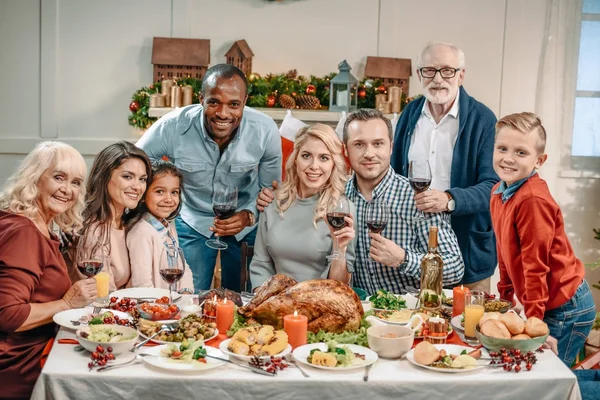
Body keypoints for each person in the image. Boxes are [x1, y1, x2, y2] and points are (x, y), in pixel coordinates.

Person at [258, 109, 464, 295]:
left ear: (391, 147)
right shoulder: (336, 197)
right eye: (359, 144)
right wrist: (273, 196)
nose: (369, 154)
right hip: (358, 311)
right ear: (346, 151)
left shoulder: (418, 198)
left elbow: (455, 269)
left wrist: (403, 259)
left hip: (408, 312)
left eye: (378, 144)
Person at [137, 64, 282, 292]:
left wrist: (249, 215)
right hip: (192, 219)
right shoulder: (173, 126)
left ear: (244, 102)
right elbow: (135, 162)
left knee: (244, 297)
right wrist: (164, 193)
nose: (223, 114)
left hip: (244, 223)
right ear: (201, 98)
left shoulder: (265, 130)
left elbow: (271, 189)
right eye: (214, 102)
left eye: (234, 104)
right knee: (187, 296)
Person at [391, 42, 499, 292]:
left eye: (447, 70)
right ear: (419, 75)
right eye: (429, 70)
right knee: (421, 324)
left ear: (461, 75)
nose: (438, 79)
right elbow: (395, 174)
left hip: (468, 248)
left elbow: (493, 187)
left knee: (467, 327)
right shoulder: (409, 114)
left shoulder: (483, 120)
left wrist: (449, 200)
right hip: (415, 248)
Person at [491, 112, 596, 366]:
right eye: (502, 148)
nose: (508, 158)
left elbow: (535, 266)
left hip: (565, 307)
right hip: (546, 302)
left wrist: (533, 322)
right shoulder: (498, 191)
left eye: (521, 152)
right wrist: (506, 301)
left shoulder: (532, 200)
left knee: (549, 379)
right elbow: (504, 252)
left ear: (539, 160)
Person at [0, 141, 97, 399]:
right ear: (35, 179)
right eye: (59, 178)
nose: (67, 190)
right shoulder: (25, 233)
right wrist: (66, 303)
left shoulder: (37, 225)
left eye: (76, 183)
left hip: (40, 350)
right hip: (21, 368)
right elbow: (10, 315)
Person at [250, 124, 356, 289]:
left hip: (320, 304)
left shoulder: (342, 209)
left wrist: (340, 248)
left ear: (333, 164)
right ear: (295, 159)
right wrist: (264, 299)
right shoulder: (273, 202)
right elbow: (260, 264)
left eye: (324, 158)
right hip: (277, 302)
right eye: (306, 156)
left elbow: (339, 285)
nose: (314, 166)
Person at [69, 141, 151, 291]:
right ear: (104, 178)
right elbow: (102, 299)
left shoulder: (127, 225)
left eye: (142, 179)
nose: (137, 187)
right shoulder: (94, 231)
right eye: (127, 177)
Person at [127, 160, 194, 291]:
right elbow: (142, 285)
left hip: (173, 304)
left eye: (174, 192)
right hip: (153, 307)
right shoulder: (142, 233)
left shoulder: (168, 227)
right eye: (160, 191)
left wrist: (186, 293)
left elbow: (183, 267)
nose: (169, 199)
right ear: (143, 195)